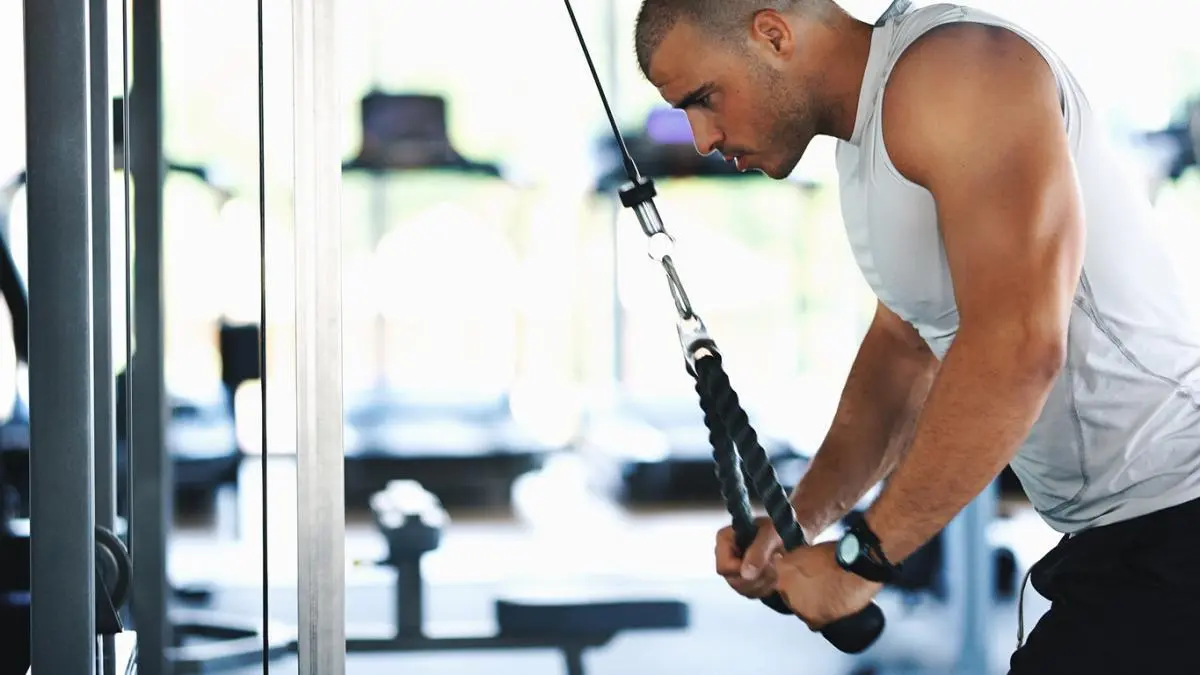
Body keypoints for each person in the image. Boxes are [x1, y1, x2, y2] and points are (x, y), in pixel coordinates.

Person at [633, 1, 1200, 672]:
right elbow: (905, 348)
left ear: (773, 35)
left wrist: (861, 558)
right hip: (1125, 534)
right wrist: (797, 524)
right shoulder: (866, 137)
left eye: (703, 98)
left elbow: (1019, 346)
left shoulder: (955, 74)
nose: (700, 138)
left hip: (1178, 514)